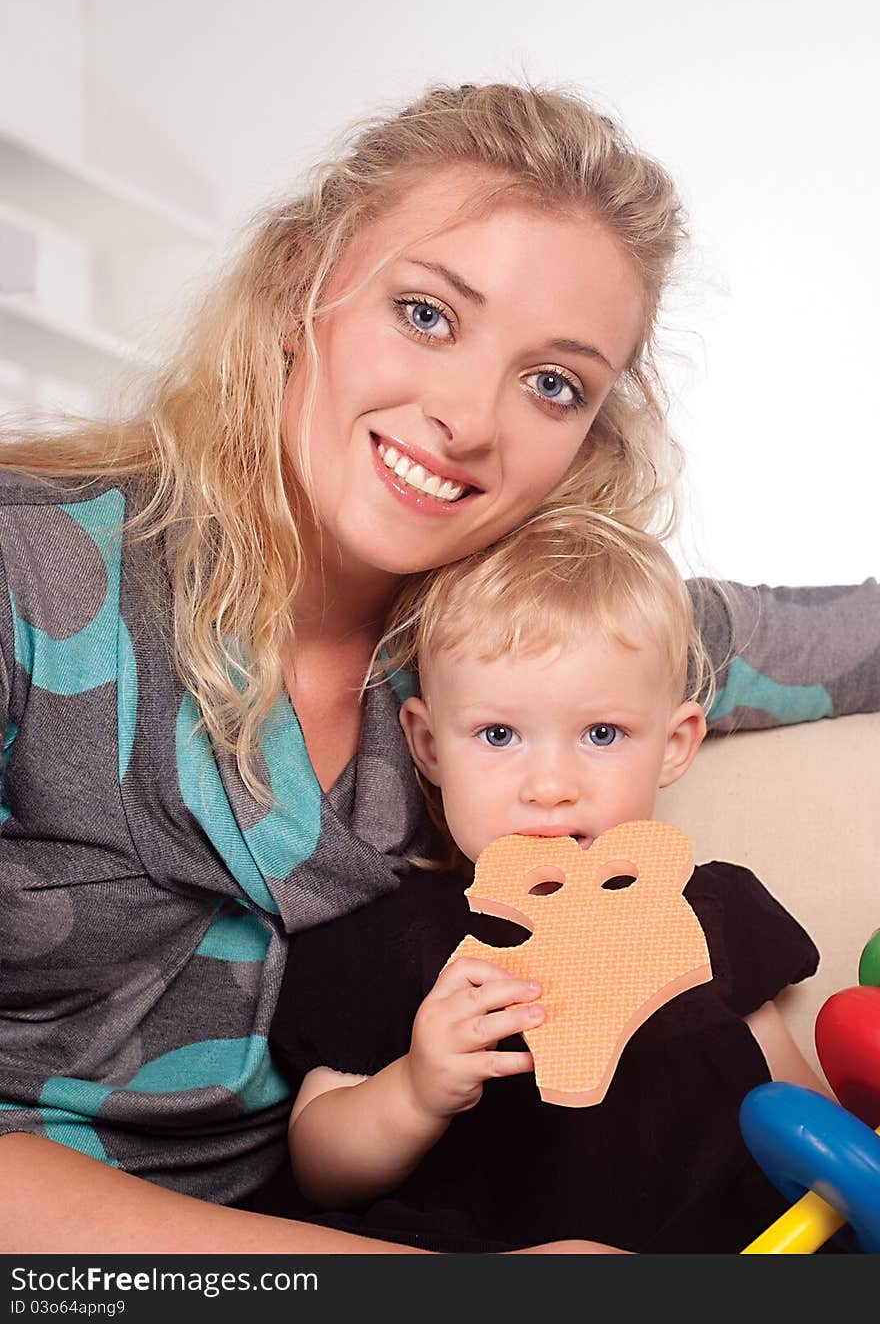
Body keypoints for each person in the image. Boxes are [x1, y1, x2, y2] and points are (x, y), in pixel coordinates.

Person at [0, 82, 875, 1254]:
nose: (467, 417)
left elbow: (847, 634)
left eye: (553, 381)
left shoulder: (522, 648)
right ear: (300, 282)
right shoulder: (28, 577)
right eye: (426, 312)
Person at [266, 508, 827, 1253]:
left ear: (674, 743)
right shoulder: (387, 936)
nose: (551, 785)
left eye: (602, 734)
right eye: (499, 735)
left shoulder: (711, 911)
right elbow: (320, 1167)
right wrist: (415, 1088)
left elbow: (795, 1107)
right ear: (429, 745)